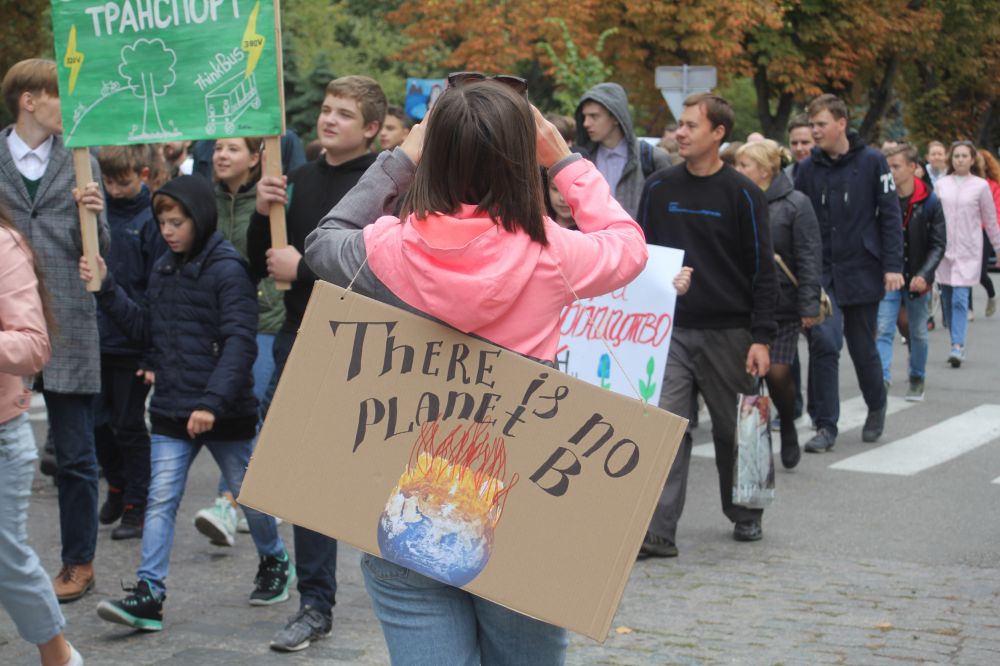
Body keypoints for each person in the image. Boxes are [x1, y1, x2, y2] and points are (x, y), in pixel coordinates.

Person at [303, 76, 648, 666]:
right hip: (520, 496)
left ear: (432, 154)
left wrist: (400, 157)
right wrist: (564, 160)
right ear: (522, 160)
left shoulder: (388, 247)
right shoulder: (554, 256)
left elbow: (322, 241)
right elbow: (628, 245)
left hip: (406, 492)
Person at [82, 176, 291, 632]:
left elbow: (240, 343)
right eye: (162, 221)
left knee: (251, 498)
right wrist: (106, 289)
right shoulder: (164, 266)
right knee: (160, 500)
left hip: (224, 410)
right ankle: (149, 594)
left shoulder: (229, 269)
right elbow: (147, 330)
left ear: (198, 219)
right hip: (173, 409)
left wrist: (212, 404)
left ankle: (275, 560)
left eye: (177, 221)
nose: (169, 230)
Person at [248, 74, 385, 653]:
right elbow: (263, 260)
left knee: (378, 477)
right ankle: (314, 604)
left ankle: (420, 585)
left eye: (345, 114)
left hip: (367, 346)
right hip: (302, 337)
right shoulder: (298, 178)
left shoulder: (387, 187)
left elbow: (381, 268)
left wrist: (302, 267)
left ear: (372, 128)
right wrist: (262, 214)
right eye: (326, 109)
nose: (329, 120)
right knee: (307, 478)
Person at [638, 93, 777, 554]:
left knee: (734, 428)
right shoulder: (659, 188)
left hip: (730, 332)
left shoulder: (743, 194)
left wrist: (762, 337)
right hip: (670, 330)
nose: (680, 132)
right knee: (666, 426)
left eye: (691, 125)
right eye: (679, 124)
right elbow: (642, 257)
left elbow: (762, 270)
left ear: (718, 133)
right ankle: (657, 528)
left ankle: (747, 511)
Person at [0, 57, 109, 602]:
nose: (71, 108)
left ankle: (78, 561)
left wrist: (94, 216)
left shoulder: (80, 159)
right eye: (60, 96)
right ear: (29, 100)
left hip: (67, 318)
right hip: (6, 323)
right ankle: (9, 565)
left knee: (74, 454)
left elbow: (102, 251)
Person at [191, 136, 288, 541]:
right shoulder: (203, 200)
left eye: (232, 149)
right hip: (215, 322)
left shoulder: (274, 201)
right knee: (227, 409)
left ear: (254, 158)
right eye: (217, 149)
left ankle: (228, 502)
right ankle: (254, 499)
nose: (221, 155)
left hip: (264, 318)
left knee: (249, 408)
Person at [794, 94, 903, 453]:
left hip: (862, 269)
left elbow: (889, 216)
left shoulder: (873, 162)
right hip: (822, 273)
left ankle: (876, 402)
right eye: (812, 124)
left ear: (841, 123)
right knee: (824, 343)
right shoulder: (808, 168)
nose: (815, 131)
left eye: (821, 124)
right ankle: (825, 425)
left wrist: (892, 267)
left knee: (861, 348)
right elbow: (800, 220)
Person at [0, 205, 83, 666]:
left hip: (1, 432)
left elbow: (34, 346)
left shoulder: (3, 243)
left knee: (6, 560)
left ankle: (59, 657)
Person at [93, 145, 166, 541]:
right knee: (98, 423)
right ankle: (117, 484)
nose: (114, 189)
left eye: (122, 182)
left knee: (128, 425)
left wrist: (153, 351)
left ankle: (137, 503)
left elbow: (157, 288)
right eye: (108, 182)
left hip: (132, 338)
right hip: (98, 335)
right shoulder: (96, 213)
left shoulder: (151, 219)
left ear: (141, 175)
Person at [735, 140, 821, 469]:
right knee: (749, 379)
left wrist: (809, 304)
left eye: (745, 165)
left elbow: (809, 256)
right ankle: (755, 451)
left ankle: (787, 422)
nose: (738, 171)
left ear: (766, 171)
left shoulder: (797, 204)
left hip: (783, 306)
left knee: (779, 374)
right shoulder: (737, 199)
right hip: (744, 305)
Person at [875, 144, 946, 400]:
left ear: (913, 167)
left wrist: (924, 274)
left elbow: (938, 244)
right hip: (888, 277)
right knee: (883, 328)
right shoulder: (881, 198)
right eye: (888, 167)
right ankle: (881, 379)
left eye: (896, 166)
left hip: (918, 279)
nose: (891, 172)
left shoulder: (930, 200)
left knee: (917, 332)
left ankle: (917, 377)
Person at [934, 141, 1000, 367]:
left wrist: (998, 248)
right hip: (943, 250)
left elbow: (991, 221)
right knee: (948, 298)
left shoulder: (980, 186)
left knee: (961, 299)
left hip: (968, 250)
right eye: (956, 156)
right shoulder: (942, 185)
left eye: (964, 156)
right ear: (951, 159)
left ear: (973, 160)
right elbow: (931, 218)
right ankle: (955, 337)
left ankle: (957, 346)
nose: (960, 160)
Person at [574, 82, 672, 217]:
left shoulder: (652, 159)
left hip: (639, 237)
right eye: (584, 117)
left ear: (615, 117)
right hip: (592, 237)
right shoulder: (581, 161)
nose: (586, 123)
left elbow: (666, 211)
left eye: (594, 116)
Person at [973, 150, 1000, 317]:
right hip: (966, 231)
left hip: (984, 231)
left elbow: (996, 212)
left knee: (980, 273)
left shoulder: (993, 185)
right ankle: (967, 308)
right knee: (962, 272)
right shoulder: (966, 183)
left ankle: (991, 295)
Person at [786, 114, 814, 178]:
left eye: (805, 142)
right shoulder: (784, 178)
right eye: (794, 143)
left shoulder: (833, 176)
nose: (798, 148)